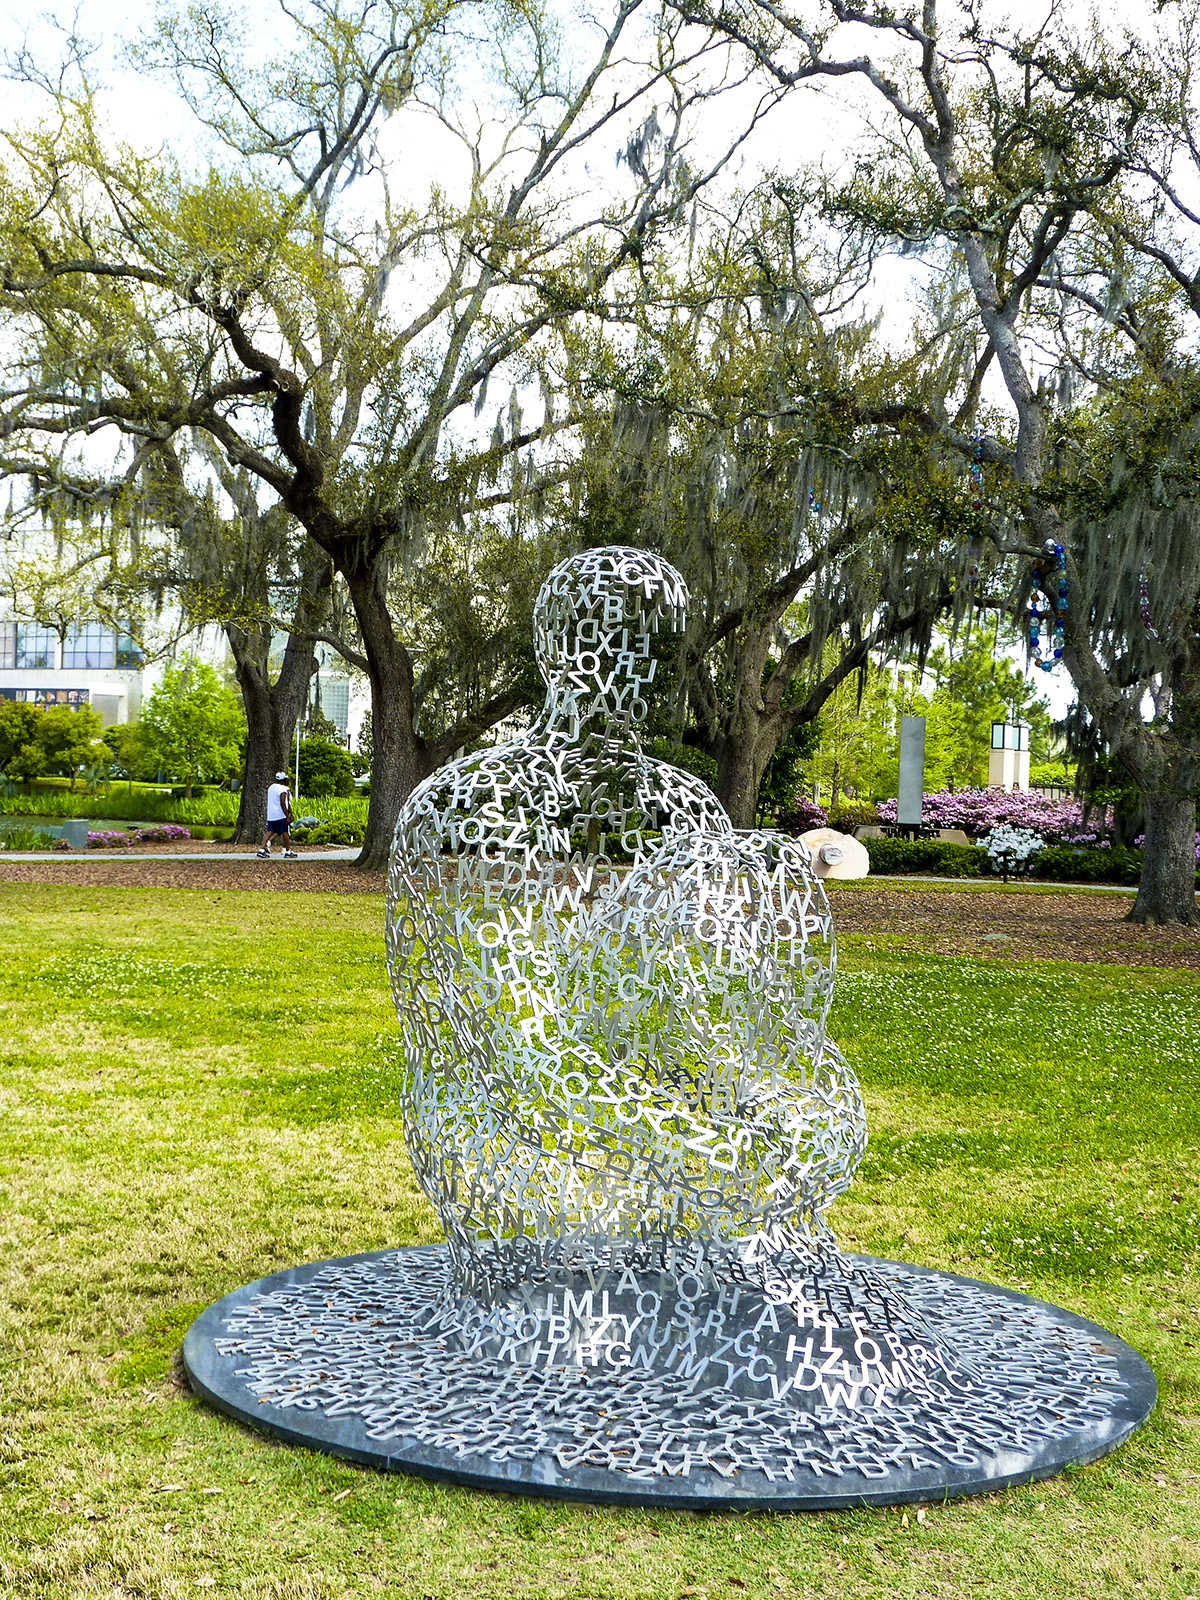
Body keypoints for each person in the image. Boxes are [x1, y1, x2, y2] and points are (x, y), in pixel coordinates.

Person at [256, 770, 298, 859]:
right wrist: (288, 815)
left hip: (271, 814)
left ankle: (261, 849)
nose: (288, 781)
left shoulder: (271, 787)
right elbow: (284, 803)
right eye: (287, 779)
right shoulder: (284, 789)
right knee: (285, 832)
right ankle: (288, 851)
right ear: (283, 780)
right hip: (280, 814)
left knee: (269, 831)